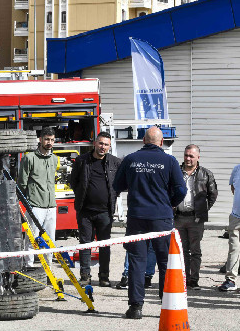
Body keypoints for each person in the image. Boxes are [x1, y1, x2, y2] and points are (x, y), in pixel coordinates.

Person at [113, 127, 187, 319]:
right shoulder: (169, 161)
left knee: (137, 261)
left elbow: (117, 186)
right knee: (165, 262)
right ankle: (166, 305)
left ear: (143, 140)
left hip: (137, 217)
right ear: (161, 142)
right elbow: (181, 190)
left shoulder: (130, 159)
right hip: (161, 218)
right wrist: (169, 203)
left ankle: (136, 307)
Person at [70, 131, 121, 286]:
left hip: (105, 212)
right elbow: (73, 182)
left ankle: (104, 276)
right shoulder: (82, 161)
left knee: (105, 245)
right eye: (100, 143)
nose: (102, 147)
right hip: (85, 211)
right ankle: (85, 276)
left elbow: (119, 183)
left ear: (109, 146)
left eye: (106, 144)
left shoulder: (115, 162)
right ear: (94, 143)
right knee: (85, 243)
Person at [175, 145, 217, 290]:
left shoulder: (206, 174)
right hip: (178, 218)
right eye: (186, 155)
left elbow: (213, 195)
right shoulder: (176, 172)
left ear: (198, 157)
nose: (188, 158)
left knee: (195, 251)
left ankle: (194, 280)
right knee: (182, 250)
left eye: (191, 156)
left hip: (196, 219)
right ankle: (184, 279)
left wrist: (202, 210)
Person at [18, 127, 58, 267]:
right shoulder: (29, 158)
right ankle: (28, 267)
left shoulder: (54, 159)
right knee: (32, 239)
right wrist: (27, 202)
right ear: (40, 140)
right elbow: (22, 183)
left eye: (52, 140)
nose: (49, 142)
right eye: (47, 139)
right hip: (35, 206)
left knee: (50, 240)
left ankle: (48, 270)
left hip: (51, 206)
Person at [219, 163, 240, 292]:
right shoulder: (236, 169)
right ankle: (231, 280)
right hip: (236, 216)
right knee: (234, 248)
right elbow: (234, 189)